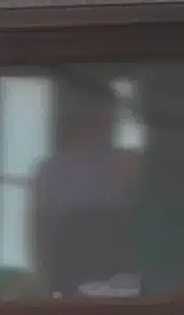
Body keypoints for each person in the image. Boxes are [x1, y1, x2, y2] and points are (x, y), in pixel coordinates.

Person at [31, 86, 142, 295]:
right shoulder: (52, 170)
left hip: (124, 282)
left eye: (110, 115)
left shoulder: (129, 163)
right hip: (70, 281)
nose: (108, 122)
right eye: (100, 115)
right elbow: (40, 235)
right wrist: (46, 283)